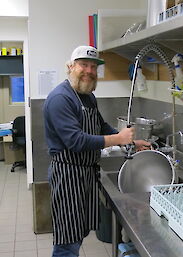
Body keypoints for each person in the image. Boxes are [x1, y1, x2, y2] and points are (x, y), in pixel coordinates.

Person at [43, 45, 150, 257]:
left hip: (86, 174)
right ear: (70, 66)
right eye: (84, 65)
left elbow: (101, 127)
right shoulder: (60, 98)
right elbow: (75, 141)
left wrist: (130, 143)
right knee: (67, 241)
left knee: (78, 233)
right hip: (68, 176)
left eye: (93, 67)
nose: (89, 71)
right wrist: (117, 138)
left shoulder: (88, 96)